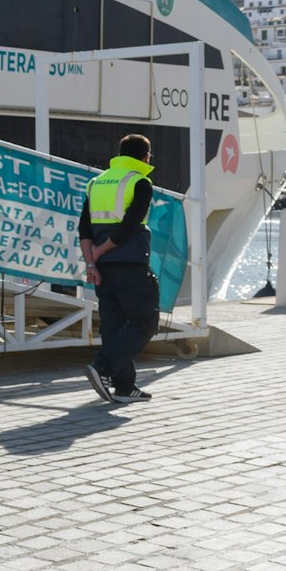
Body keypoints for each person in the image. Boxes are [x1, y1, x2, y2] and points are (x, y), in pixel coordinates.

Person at [80, 133, 160, 403]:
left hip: (103, 268)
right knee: (145, 321)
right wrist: (101, 251)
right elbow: (129, 227)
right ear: (145, 157)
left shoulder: (96, 182)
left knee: (114, 325)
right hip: (130, 262)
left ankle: (125, 386)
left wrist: (92, 261)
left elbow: (84, 228)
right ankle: (102, 368)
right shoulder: (141, 182)